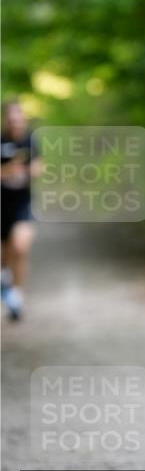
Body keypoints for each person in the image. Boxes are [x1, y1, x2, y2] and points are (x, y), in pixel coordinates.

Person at [1, 100, 42, 320]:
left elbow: (38, 167)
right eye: (11, 119)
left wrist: (28, 170)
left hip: (22, 203)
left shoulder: (30, 140)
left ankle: (16, 295)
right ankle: (5, 279)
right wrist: (7, 170)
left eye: (18, 118)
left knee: (20, 246)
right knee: (4, 254)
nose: (15, 123)